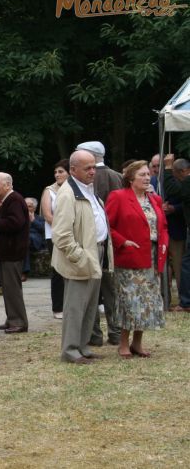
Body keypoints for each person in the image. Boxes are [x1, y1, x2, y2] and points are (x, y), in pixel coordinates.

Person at [52, 149, 113, 364]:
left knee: (89, 305)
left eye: (93, 166)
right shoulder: (68, 194)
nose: (92, 171)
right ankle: (70, 350)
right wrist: (79, 256)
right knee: (75, 306)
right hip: (82, 255)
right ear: (73, 170)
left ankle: (82, 346)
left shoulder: (87, 190)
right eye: (87, 168)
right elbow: (61, 234)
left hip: (95, 252)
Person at [105, 161, 167, 358]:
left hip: (153, 257)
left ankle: (137, 343)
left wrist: (164, 243)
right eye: (142, 174)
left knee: (148, 302)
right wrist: (123, 242)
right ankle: (123, 343)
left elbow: (163, 226)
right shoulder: (119, 197)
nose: (147, 177)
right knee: (129, 301)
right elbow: (107, 226)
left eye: (148, 174)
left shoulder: (154, 200)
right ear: (131, 178)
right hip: (130, 258)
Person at [76, 141, 122, 346]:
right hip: (114, 241)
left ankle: (94, 334)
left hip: (92, 242)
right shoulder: (117, 177)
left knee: (92, 290)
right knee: (111, 290)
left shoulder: (83, 179)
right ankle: (116, 331)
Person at [0, 173, 30, 334]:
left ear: (8, 185)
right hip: (8, 251)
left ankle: (19, 322)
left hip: (12, 251)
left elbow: (15, 222)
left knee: (12, 289)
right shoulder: (8, 201)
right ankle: (12, 319)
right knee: (8, 288)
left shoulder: (14, 200)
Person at [40, 159, 69, 319]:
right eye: (56, 172)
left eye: (61, 171)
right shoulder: (49, 190)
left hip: (71, 235)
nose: (57, 175)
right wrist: (63, 228)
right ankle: (57, 307)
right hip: (54, 235)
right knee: (58, 270)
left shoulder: (73, 189)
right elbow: (47, 215)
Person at [162, 153, 190, 312]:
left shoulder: (188, 180)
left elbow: (173, 189)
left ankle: (186, 302)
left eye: (175, 175)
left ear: (182, 171)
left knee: (186, 264)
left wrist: (166, 168)